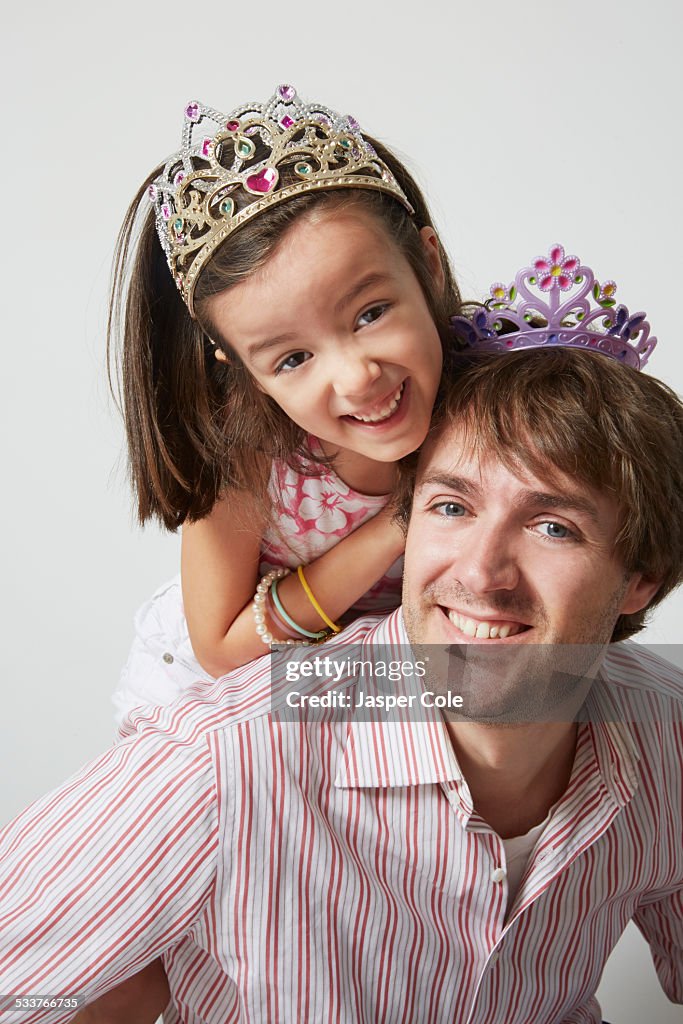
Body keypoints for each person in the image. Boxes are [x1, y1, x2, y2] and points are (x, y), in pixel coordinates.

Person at [1, 252, 682, 1024]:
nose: (482, 573)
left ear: (639, 579)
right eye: (451, 508)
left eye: (552, 525)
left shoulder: (668, 734)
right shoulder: (218, 766)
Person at [109, 82, 462, 726]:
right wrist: (395, 527)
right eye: (293, 359)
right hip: (233, 696)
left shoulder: (490, 399)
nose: (357, 379)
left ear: (429, 267)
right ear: (243, 369)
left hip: (379, 685)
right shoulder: (246, 457)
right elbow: (220, 650)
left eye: (371, 313)